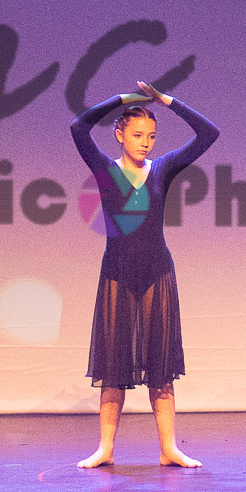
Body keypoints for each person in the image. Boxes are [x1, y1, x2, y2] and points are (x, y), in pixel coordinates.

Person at [72, 81, 219, 469]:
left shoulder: (163, 169)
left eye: (151, 136)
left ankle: (168, 448)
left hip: (157, 273)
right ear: (119, 134)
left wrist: (167, 101)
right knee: (113, 368)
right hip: (117, 274)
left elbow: (209, 133)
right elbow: (78, 127)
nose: (146, 143)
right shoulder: (105, 169)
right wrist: (123, 99)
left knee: (161, 368)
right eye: (137, 135)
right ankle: (106, 448)